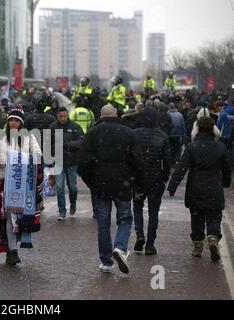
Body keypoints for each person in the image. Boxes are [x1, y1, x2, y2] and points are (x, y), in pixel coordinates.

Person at [79, 105, 144, 274]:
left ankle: (106, 261)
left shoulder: (93, 133)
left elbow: (83, 162)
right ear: (116, 115)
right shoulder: (128, 132)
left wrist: (91, 182)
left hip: (100, 185)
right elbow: (137, 161)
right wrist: (138, 184)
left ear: (100, 115)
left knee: (103, 223)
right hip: (123, 183)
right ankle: (120, 247)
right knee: (125, 219)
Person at [168, 117, 231, 262]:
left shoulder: (191, 147)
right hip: (214, 186)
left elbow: (181, 168)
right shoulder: (220, 147)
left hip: (195, 187)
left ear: (197, 129)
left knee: (197, 217)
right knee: (214, 216)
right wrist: (226, 182)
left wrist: (173, 185)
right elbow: (226, 169)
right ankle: (213, 237)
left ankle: (197, 245)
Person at [0, 109, 42, 266]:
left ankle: (15, 246)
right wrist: (4, 159)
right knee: (8, 218)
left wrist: (21, 160)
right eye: (11, 120)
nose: (13, 123)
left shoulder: (29, 138)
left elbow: (38, 155)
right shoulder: (0, 138)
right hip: (5, 182)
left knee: (21, 218)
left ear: (21, 123)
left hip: (24, 184)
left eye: (17, 121)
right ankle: (12, 251)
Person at [132, 108, 171, 255]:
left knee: (137, 207)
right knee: (153, 212)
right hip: (155, 178)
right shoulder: (162, 136)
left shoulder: (134, 134)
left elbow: (131, 157)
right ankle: (150, 244)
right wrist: (164, 176)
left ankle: (139, 234)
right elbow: (167, 160)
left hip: (138, 179)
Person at [49, 107, 85, 220]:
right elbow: (47, 145)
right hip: (58, 161)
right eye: (61, 116)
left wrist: (67, 145)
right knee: (59, 187)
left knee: (73, 187)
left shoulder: (75, 127)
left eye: (65, 116)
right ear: (57, 116)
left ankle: (73, 203)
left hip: (72, 161)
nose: (63, 118)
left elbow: (81, 141)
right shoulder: (52, 127)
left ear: (68, 115)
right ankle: (62, 211)